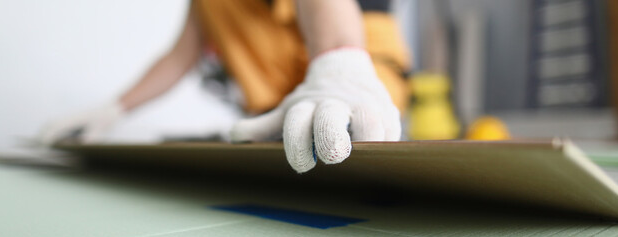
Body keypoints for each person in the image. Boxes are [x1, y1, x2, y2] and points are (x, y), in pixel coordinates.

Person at [39, 0, 410, 173]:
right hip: (276, 119)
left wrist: (338, 67)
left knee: (349, 141)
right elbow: (177, 58)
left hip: (360, 85)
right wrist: (113, 109)